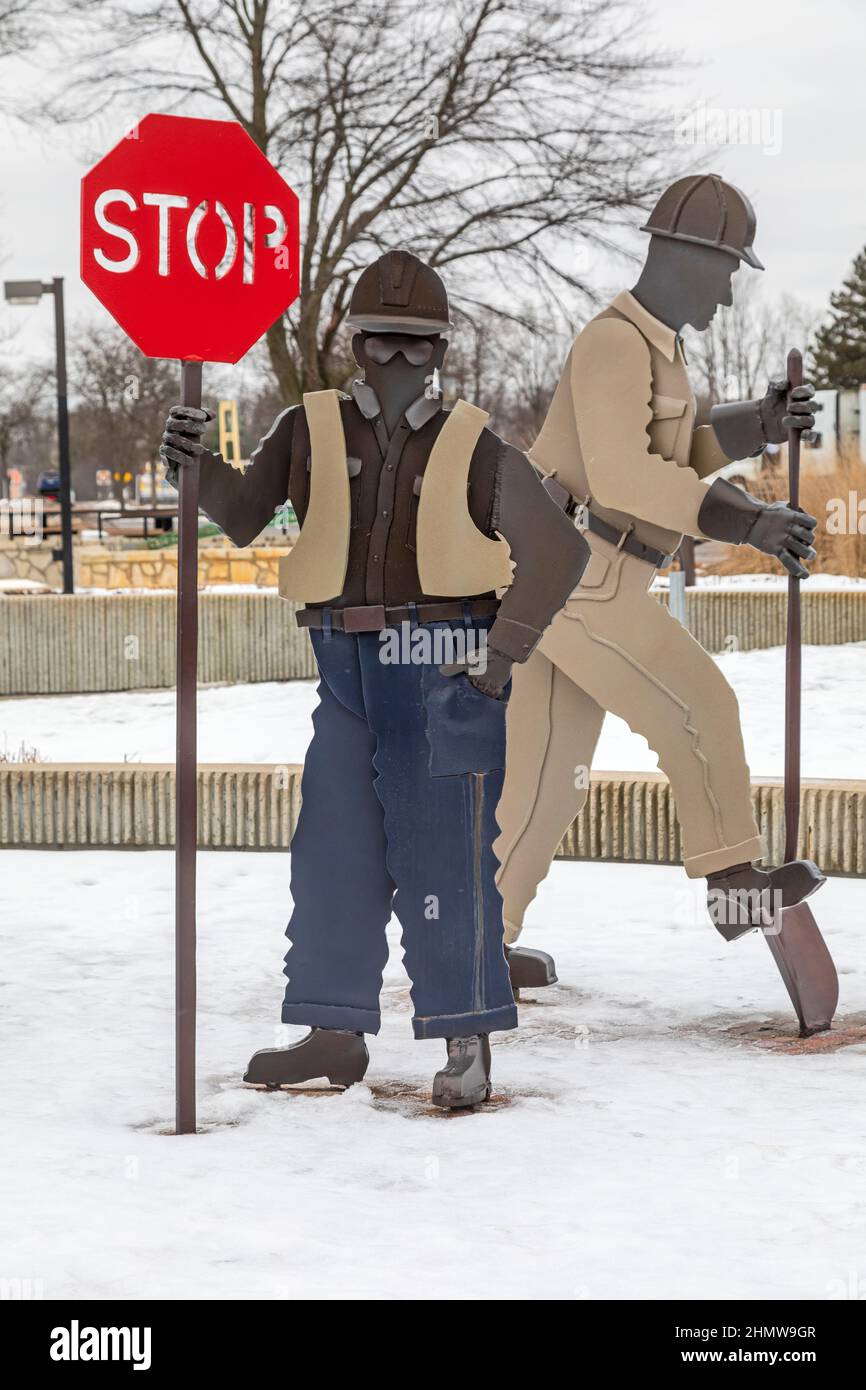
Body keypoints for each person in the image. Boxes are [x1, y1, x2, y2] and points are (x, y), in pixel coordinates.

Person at [161, 249, 588, 1107]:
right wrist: (193, 465)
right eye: (380, 344)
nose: (396, 363)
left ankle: (466, 1034)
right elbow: (244, 517)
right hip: (342, 669)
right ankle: (332, 1026)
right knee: (332, 852)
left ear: (439, 351)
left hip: (440, 669)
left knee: (447, 862)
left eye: (415, 346)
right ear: (354, 343)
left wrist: (497, 660)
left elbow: (559, 553)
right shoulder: (306, 428)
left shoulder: (473, 445)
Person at [494, 174, 823, 987]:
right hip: (578, 573)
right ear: (685, 256)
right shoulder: (612, 341)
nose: (730, 293)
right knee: (699, 706)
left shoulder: (657, 346)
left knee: (541, 779)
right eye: (727, 271)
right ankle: (733, 884)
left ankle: (475, 940)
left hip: (573, 574)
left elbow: (679, 451)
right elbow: (624, 476)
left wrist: (760, 423)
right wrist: (746, 520)